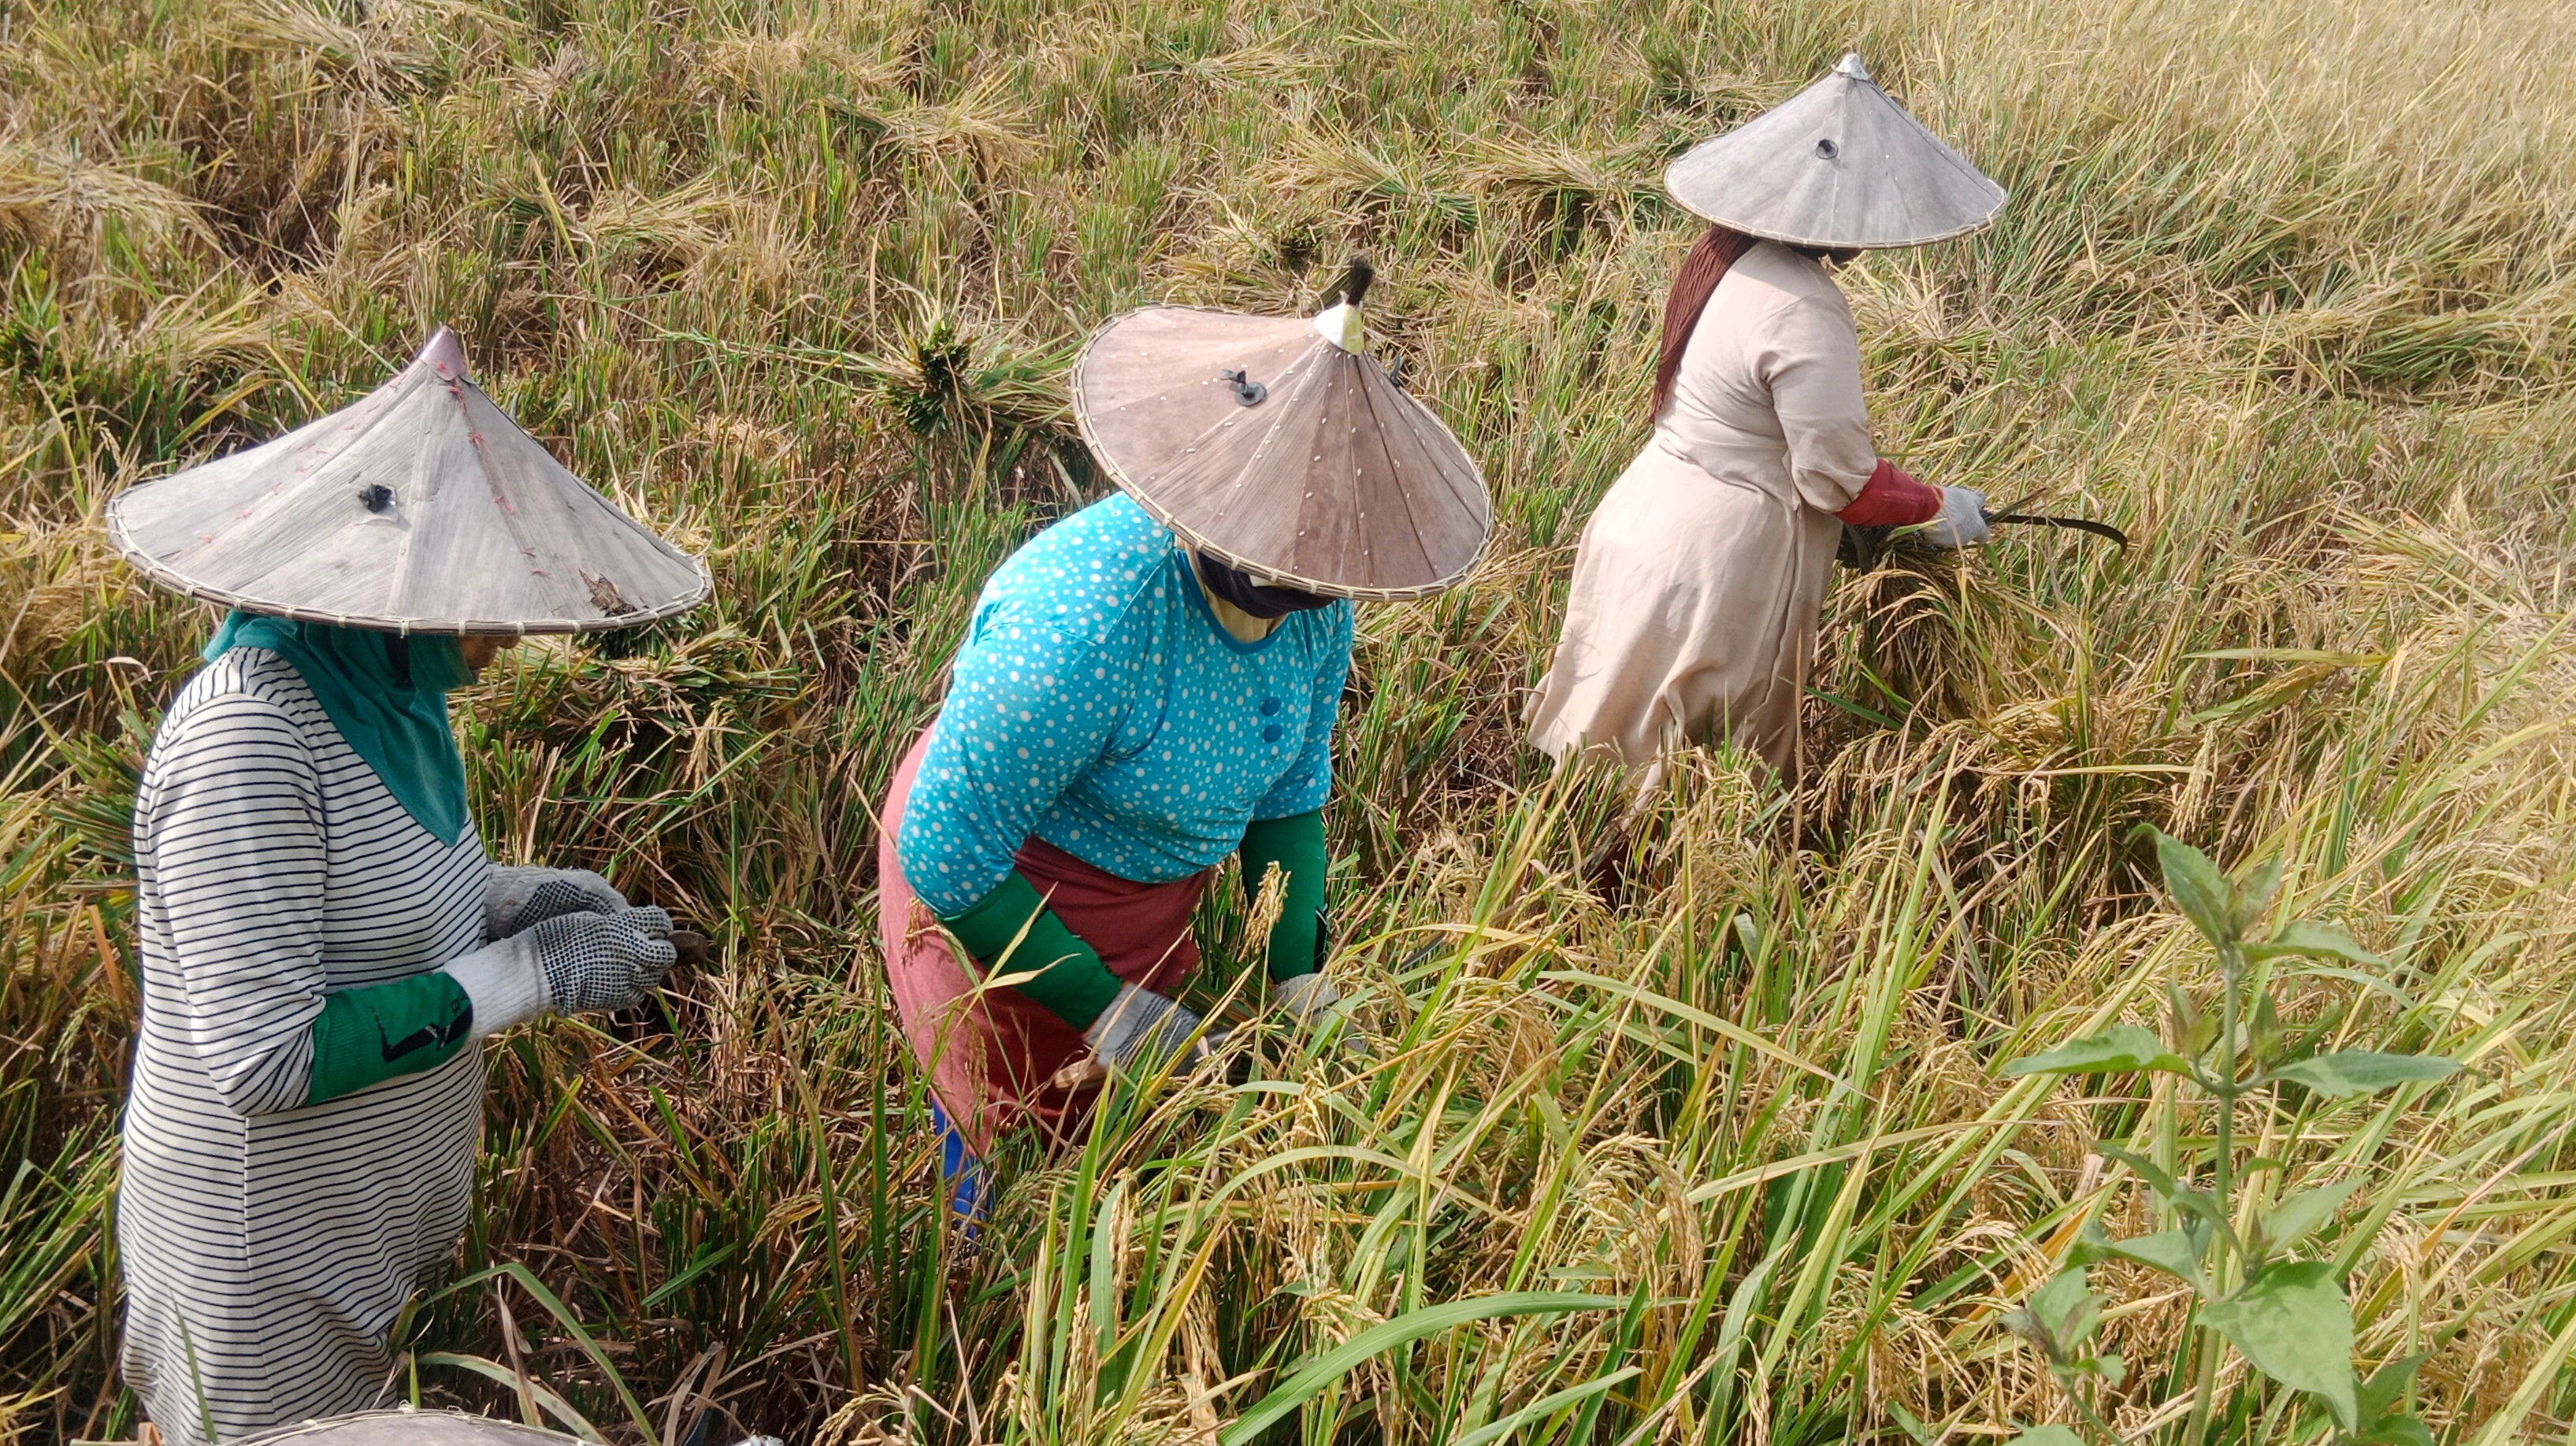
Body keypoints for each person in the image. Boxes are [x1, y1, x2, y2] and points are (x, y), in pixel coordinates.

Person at [103, 328, 711, 1443]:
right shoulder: (251, 741)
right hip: (261, 1260)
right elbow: (266, 1055)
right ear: (393, 594)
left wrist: (518, 896)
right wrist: (527, 974)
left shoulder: (400, 696)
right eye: (487, 598)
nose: (514, 634)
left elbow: (390, 895)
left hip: (366, 1212)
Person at [878, 267, 1490, 1190]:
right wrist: (1095, 1002)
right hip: (1005, 894)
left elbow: (1290, 792)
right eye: (1272, 550)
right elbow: (948, 852)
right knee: (997, 1127)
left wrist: (1297, 972)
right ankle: (968, 1255)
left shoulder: (1318, 613)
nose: (1298, 582)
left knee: (1108, 1138)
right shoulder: (1084, 629)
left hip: (1146, 895)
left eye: (1316, 564)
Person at [1527, 54, 2009, 779]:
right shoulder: (1804, 304)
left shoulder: (1721, 255)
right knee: (1698, 783)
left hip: (1645, 519)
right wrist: (1937, 508)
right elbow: (1838, 482)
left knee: (1599, 755)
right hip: (1719, 564)